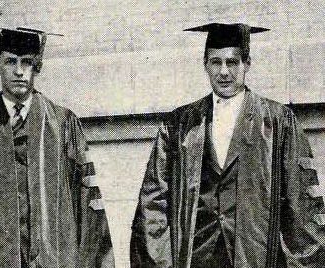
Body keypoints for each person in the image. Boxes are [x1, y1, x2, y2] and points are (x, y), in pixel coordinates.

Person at [130, 23, 325, 267]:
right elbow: (153, 203)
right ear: (205, 65)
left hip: (254, 256)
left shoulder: (278, 122)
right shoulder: (180, 125)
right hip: (196, 258)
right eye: (215, 62)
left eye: (232, 62)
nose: (224, 72)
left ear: (247, 64)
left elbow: (301, 207)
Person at [0, 28, 114, 267]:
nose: (18, 71)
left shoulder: (63, 124)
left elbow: (89, 213)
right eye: (10, 62)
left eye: (27, 62)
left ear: (38, 66)